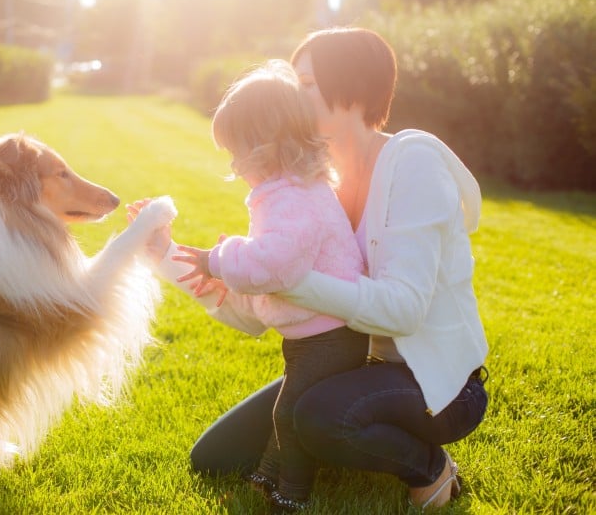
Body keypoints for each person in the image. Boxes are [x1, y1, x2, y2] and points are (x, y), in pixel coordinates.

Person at [132, 27, 489, 512]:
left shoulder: (413, 164)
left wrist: (281, 275)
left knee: (319, 416)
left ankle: (429, 467)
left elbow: (402, 312)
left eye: (304, 84)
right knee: (214, 458)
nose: (289, 96)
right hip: (346, 363)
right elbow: (259, 312)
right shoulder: (307, 184)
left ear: (352, 90)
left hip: (435, 385)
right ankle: (345, 439)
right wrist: (167, 254)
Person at [167, 58, 367, 511]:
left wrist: (218, 259)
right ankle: (269, 474)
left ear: (266, 146)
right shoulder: (288, 189)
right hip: (314, 336)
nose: (235, 165)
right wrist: (240, 257)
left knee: (290, 413)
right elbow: (273, 257)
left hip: (331, 339)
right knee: (288, 409)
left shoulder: (295, 196)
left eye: (238, 152)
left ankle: (290, 495)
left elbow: (279, 262)